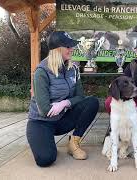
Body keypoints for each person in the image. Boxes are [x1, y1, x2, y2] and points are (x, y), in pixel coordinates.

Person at [27, 31, 99, 167]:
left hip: (61, 118)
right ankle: (43, 140)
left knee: (92, 102)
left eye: (71, 46)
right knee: (46, 159)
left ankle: (73, 142)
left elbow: (80, 97)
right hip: (41, 122)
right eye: (68, 46)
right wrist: (63, 105)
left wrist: (64, 103)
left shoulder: (74, 69)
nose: (71, 49)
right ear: (57, 49)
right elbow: (44, 110)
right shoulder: (41, 71)